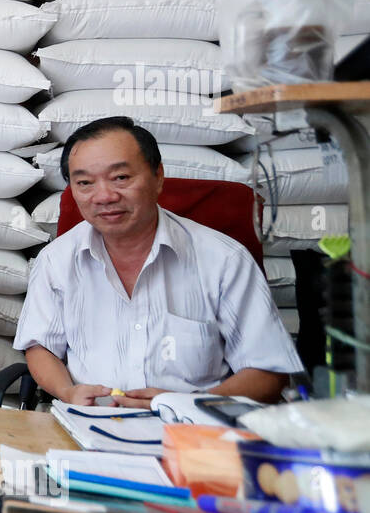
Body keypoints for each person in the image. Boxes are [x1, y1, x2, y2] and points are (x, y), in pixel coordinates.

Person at [15, 116, 303, 408]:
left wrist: (182, 405)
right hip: (87, 425)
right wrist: (67, 391)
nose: (104, 196)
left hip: (195, 432)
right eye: (85, 183)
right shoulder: (56, 260)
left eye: (121, 178)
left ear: (158, 177)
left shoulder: (225, 260)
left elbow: (268, 371)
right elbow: (40, 346)